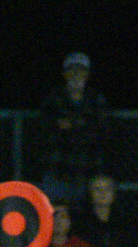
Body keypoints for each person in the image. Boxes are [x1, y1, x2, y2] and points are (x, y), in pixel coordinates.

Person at [35, 52, 109, 204]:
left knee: (83, 218)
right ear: (64, 74)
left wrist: (70, 125)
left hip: (88, 170)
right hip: (57, 171)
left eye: (81, 70)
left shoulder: (96, 100)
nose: (76, 75)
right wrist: (81, 125)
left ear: (87, 74)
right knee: (54, 215)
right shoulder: (53, 99)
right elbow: (44, 129)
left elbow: (102, 132)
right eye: (72, 70)